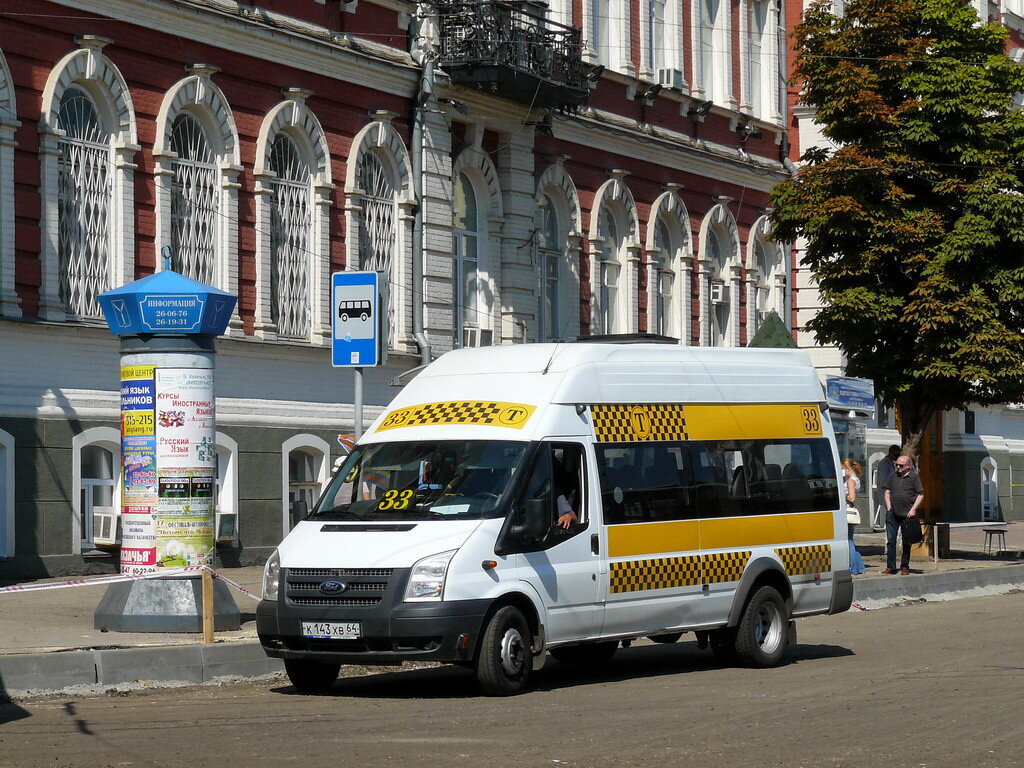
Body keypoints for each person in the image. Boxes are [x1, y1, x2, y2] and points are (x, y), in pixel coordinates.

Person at [882, 454, 925, 575]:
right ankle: (891, 567)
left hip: (907, 514)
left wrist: (913, 509)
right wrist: (889, 507)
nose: (898, 467)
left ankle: (905, 566)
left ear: (908, 466)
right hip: (893, 513)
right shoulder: (893, 475)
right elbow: (887, 491)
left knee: (907, 541)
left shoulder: (913, 477)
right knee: (891, 541)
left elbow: (921, 495)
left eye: (901, 465)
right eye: (897, 465)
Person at [842, 459, 866, 575]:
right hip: (851, 510)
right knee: (850, 539)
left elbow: (852, 498)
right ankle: (860, 567)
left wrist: (845, 495)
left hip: (847, 510)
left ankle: (854, 567)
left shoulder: (850, 481)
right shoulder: (856, 479)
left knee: (848, 540)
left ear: (848, 469)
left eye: (843, 469)